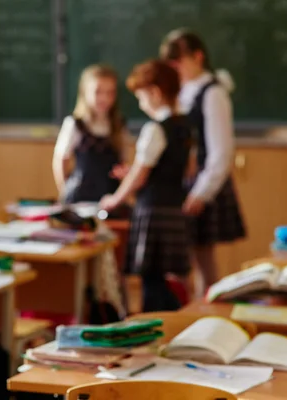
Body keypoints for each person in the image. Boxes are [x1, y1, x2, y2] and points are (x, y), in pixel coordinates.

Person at [99, 60, 193, 312]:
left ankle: (158, 329)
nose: (141, 104)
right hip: (173, 208)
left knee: (151, 281)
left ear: (155, 92)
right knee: (163, 279)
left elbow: (140, 175)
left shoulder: (155, 129)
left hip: (153, 212)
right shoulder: (184, 126)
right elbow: (187, 168)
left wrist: (114, 199)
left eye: (141, 97)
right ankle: (176, 321)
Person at [160, 29, 246, 297]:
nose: (176, 69)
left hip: (201, 185)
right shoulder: (181, 93)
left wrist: (202, 192)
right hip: (181, 183)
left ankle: (208, 320)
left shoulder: (212, 93)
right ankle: (188, 313)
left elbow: (220, 150)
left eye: (180, 61)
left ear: (198, 57)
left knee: (203, 259)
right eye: (171, 64)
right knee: (180, 261)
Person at [53, 64, 128, 204]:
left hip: (109, 197)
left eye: (110, 93)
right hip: (80, 196)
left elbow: (123, 161)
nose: (104, 98)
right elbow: (60, 160)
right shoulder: (75, 124)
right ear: (85, 92)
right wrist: (65, 192)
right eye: (98, 92)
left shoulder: (118, 125)